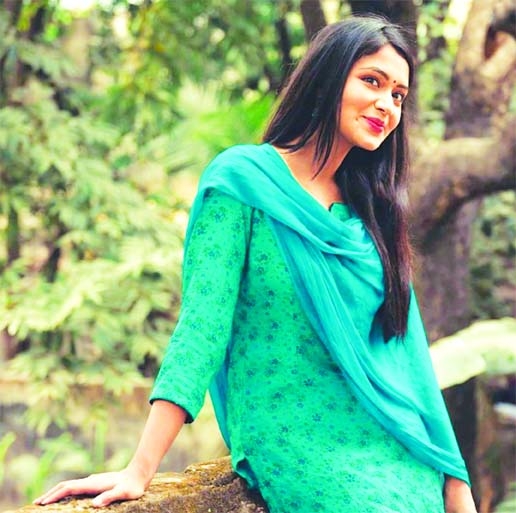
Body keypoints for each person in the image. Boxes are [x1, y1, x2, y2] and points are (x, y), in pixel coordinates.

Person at [34, 15, 478, 513]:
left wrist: (454, 479)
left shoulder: (371, 213)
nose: (386, 105)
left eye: (398, 95)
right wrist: (140, 469)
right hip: (295, 440)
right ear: (328, 77)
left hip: (392, 441)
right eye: (372, 81)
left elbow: (407, 355)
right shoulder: (242, 181)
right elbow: (203, 326)